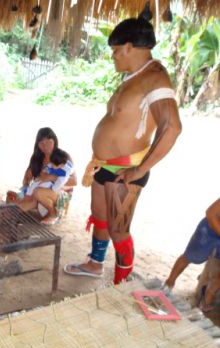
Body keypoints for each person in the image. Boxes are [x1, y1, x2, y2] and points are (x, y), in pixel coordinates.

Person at [64, 11, 182, 284]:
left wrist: (140, 170)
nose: (114, 56)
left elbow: (172, 127)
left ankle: (121, 283)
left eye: (117, 50)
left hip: (126, 169)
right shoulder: (134, 76)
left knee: (119, 229)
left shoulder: (156, 79)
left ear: (130, 47)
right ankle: (95, 263)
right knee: (100, 217)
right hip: (104, 164)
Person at [8, 127, 76, 224]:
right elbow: (27, 178)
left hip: (59, 194)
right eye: (41, 143)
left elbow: (74, 181)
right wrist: (26, 187)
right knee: (18, 201)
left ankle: (54, 213)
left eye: (48, 141)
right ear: (38, 145)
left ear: (55, 140)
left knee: (38, 192)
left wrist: (51, 177)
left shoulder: (63, 156)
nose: (45, 146)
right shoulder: (38, 158)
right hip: (41, 193)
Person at [164, 198, 220, 312]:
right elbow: (210, 213)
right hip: (209, 229)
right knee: (188, 257)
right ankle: (168, 284)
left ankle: (207, 298)